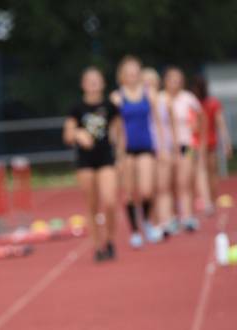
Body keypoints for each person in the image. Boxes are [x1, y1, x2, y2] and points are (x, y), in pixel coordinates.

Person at [64, 67, 121, 262]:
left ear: (103, 83)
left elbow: (118, 132)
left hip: (106, 157)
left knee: (110, 201)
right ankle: (98, 246)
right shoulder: (77, 108)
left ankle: (111, 240)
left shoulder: (110, 106)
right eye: (89, 80)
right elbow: (68, 135)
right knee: (92, 205)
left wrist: (121, 153)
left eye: (97, 80)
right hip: (85, 161)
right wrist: (79, 134)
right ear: (83, 85)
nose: (93, 84)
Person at [110, 56, 164, 248]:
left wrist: (163, 147)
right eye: (128, 72)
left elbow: (158, 122)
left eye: (135, 72)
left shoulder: (149, 94)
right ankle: (134, 231)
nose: (132, 76)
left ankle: (147, 221)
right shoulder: (117, 97)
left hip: (146, 147)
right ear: (122, 76)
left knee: (148, 189)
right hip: (127, 150)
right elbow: (115, 128)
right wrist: (117, 154)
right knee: (130, 193)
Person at [164, 67, 204, 232]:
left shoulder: (188, 98)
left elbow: (201, 117)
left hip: (187, 144)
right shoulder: (160, 98)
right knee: (170, 182)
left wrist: (197, 130)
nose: (175, 82)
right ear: (165, 81)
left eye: (178, 79)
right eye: (172, 79)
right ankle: (172, 217)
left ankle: (187, 216)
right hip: (166, 146)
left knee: (185, 181)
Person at [142, 67, 176, 238]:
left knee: (164, 187)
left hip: (163, 146)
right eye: (145, 82)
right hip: (146, 147)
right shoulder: (139, 100)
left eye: (151, 81)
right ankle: (151, 221)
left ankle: (166, 220)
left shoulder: (164, 99)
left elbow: (170, 124)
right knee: (149, 189)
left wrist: (168, 147)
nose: (148, 85)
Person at [192, 75, 233, 213]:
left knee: (210, 172)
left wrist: (226, 143)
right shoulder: (192, 103)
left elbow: (220, 124)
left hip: (208, 143)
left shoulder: (212, 103)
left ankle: (211, 199)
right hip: (194, 144)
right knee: (199, 171)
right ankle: (206, 199)